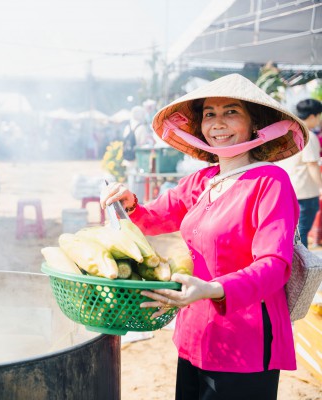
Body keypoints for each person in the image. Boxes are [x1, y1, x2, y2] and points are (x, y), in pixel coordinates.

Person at [100, 74, 307, 400]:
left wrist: (214, 289)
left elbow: (274, 265)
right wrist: (130, 203)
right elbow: (153, 218)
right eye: (209, 114)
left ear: (255, 123)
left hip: (245, 340)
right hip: (195, 331)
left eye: (231, 111)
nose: (218, 123)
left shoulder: (270, 181)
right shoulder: (202, 180)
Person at [276, 98, 322, 247]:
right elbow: (312, 165)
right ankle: (301, 269)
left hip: (288, 190)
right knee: (300, 236)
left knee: (293, 234)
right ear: (313, 116)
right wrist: (321, 188)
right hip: (306, 193)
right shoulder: (309, 135)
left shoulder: (288, 132)